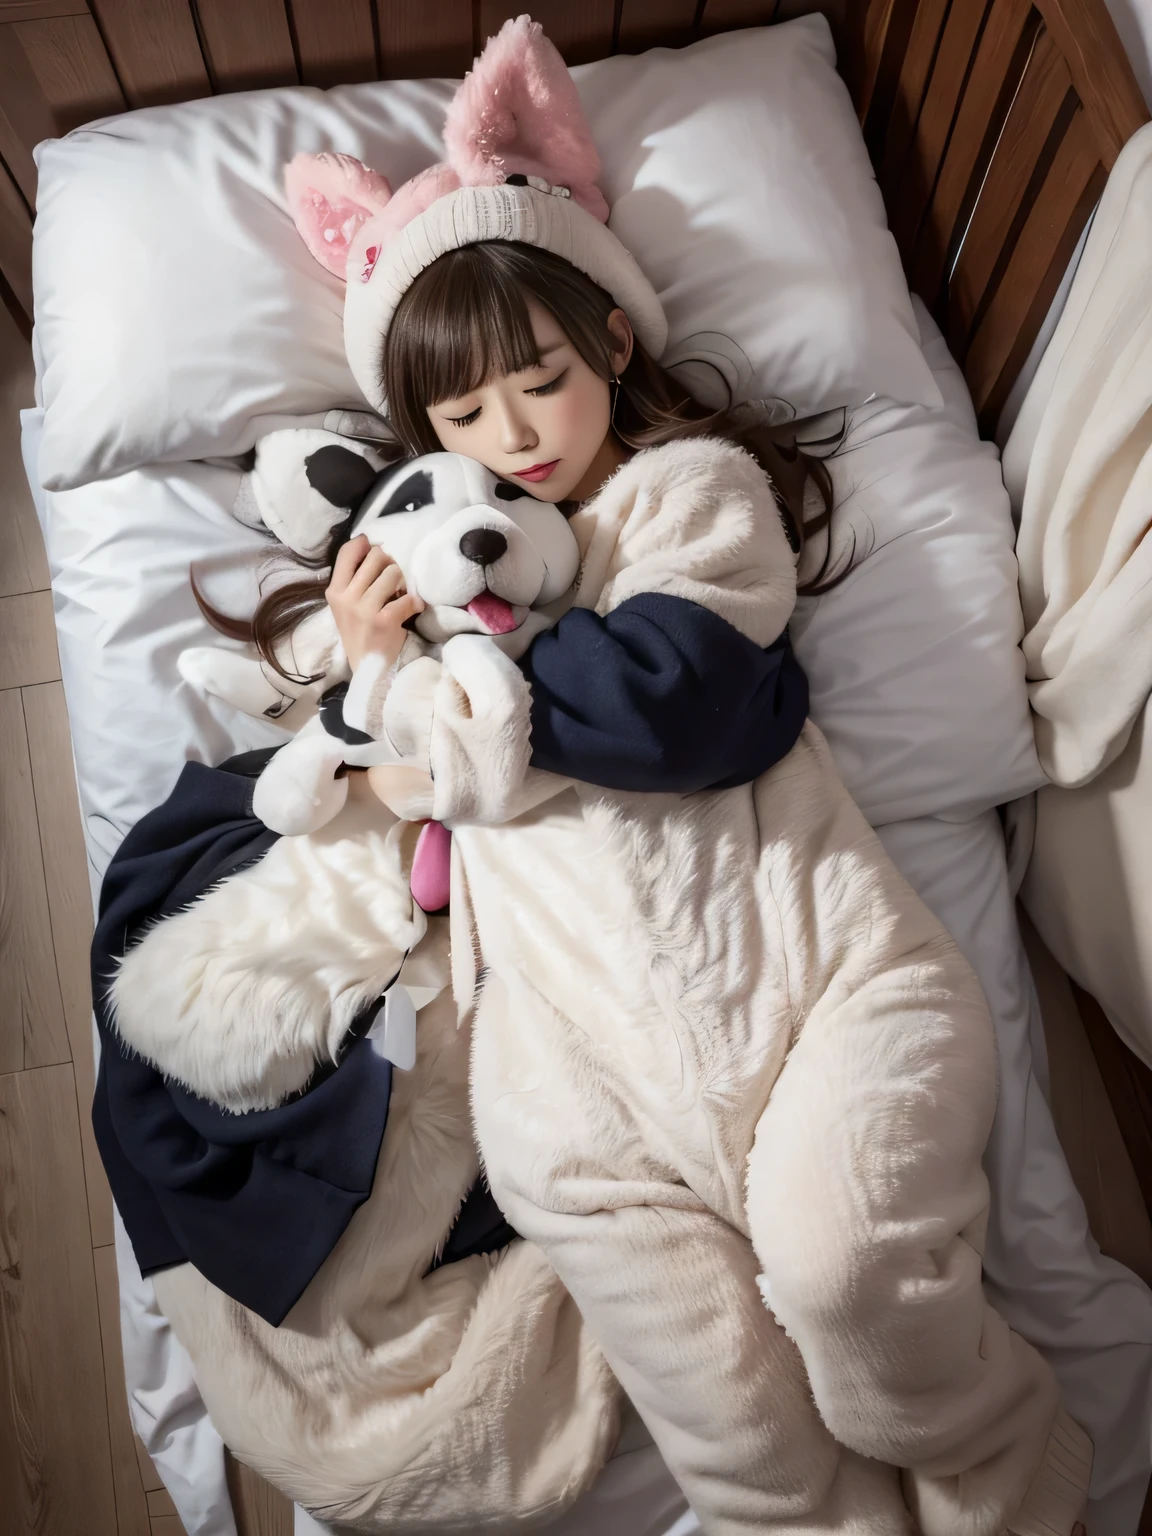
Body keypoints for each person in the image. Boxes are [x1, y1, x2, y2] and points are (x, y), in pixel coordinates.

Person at [233, 18, 1093, 1536]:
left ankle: (1019, 1485)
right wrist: (375, 671)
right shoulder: (434, 590)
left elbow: (677, 702)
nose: (516, 438)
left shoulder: (686, 496)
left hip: (817, 983)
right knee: (748, 1449)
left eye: (542, 383)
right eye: (463, 418)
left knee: (855, 1304)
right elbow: (370, 783)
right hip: (584, 1080)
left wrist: (453, 701)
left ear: (611, 344)